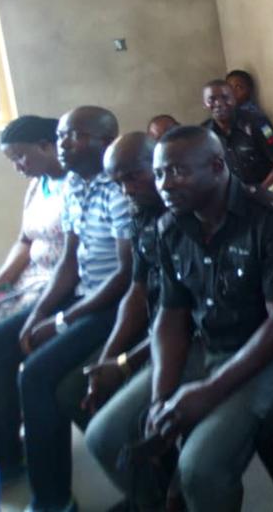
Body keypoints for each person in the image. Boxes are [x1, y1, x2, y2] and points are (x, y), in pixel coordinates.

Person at [94, 126, 273, 511]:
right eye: (160, 173)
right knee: (106, 434)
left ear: (216, 167)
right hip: (204, 345)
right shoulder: (171, 226)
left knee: (201, 466)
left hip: (270, 354)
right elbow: (171, 316)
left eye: (177, 171)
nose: (165, 184)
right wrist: (162, 395)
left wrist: (208, 391)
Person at [0, 106, 133, 511]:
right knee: (0, 348)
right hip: (80, 295)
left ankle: (52, 498)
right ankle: (6, 456)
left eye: (72, 137)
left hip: (113, 304)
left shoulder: (118, 188)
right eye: (61, 136)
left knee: (36, 374)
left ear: (105, 140)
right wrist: (35, 316)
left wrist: (62, 318)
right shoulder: (76, 188)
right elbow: (68, 263)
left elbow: (124, 277)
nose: (63, 144)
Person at [80, 133, 165, 506]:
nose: (126, 191)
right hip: (159, 329)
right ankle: (148, 492)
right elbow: (138, 288)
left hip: (195, 339)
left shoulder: (191, 211)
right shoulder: (142, 212)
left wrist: (126, 361)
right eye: (117, 183)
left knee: (105, 434)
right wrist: (109, 357)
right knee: (78, 393)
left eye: (132, 177)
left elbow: (192, 319)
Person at [0, 116, 66, 333]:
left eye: (20, 157)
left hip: (58, 283)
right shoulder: (37, 185)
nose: (17, 168)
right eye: (12, 161)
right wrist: (1, 280)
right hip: (28, 279)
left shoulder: (75, 185)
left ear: (45, 146)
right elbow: (25, 240)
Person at [200, 79, 273, 189]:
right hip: (234, 193)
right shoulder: (204, 133)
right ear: (205, 103)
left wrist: (258, 192)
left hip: (266, 188)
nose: (218, 104)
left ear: (234, 98)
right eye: (211, 99)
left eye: (225, 97)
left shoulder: (257, 123)